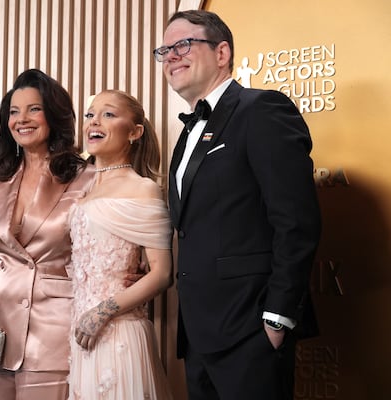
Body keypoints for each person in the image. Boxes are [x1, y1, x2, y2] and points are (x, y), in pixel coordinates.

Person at [154, 10, 321, 400]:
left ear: (223, 52)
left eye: (183, 44)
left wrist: (277, 319)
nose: (171, 56)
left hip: (252, 331)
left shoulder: (261, 110)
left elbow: (296, 221)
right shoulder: (187, 135)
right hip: (199, 337)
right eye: (164, 50)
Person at [0, 69, 95, 399]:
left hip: (53, 332)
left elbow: (96, 255)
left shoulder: (85, 177)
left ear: (53, 115)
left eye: (33, 109)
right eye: (14, 111)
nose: (22, 119)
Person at [67, 90, 174, 399]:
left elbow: (162, 274)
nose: (94, 122)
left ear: (135, 132)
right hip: (81, 338)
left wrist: (102, 313)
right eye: (90, 115)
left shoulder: (143, 189)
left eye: (108, 114)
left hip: (119, 333)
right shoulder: (82, 190)